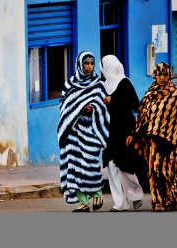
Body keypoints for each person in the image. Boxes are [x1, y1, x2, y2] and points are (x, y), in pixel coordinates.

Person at [126, 62, 177, 212]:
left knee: (168, 172)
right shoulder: (149, 94)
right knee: (154, 170)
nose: (162, 77)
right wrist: (134, 134)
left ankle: (173, 197)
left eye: (165, 74)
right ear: (155, 75)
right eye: (159, 74)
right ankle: (158, 202)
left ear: (169, 76)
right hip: (153, 141)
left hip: (172, 140)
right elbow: (143, 117)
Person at [58, 51, 110, 212]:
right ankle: (83, 202)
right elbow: (63, 106)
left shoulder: (99, 84)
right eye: (86, 63)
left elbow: (104, 106)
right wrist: (79, 108)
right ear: (80, 64)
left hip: (90, 131)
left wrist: (92, 108)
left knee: (91, 165)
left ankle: (97, 195)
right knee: (74, 167)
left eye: (92, 63)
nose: (89, 67)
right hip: (73, 133)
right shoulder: (69, 85)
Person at [99, 55, 144, 212]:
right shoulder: (104, 85)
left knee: (125, 166)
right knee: (112, 166)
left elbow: (134, 104)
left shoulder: (125, 82)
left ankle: (136, 195)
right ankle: (120, 203)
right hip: (111, 131)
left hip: (125, 129)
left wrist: (114, 99)